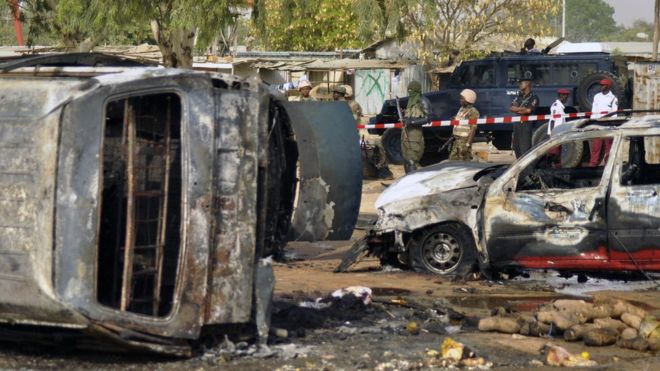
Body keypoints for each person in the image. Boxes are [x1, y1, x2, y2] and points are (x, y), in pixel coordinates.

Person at [401, 80, 432, 173]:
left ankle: (413, 183)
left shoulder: (423, 101)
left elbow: (428, 119)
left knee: (412, 160)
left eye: (412, 91)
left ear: (416, 91)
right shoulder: (410, 101)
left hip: (415, 135)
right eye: (408, 90)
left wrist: (413, 121)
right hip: (406, 134)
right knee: (406, 160)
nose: (410, 93)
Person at [588, 79, 618, 167]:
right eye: (601, 85)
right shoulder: (597, 96)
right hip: (597, 124)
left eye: (604, 85)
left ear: (609, 86)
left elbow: (614, 113)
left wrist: (612, 125)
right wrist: (592, 123)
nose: (602, 86)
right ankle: (592, 165)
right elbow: (593, 111)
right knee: (596, 147)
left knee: (608, 148)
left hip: (608, 125)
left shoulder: (613, 98)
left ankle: (608, 165)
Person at [510, 77, 539, 158]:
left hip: (526, 126)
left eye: (521, 83)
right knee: (517, 148)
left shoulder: (534, 97)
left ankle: (527, 170)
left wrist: (517, 110)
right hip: (517, 126)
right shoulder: (519, 96)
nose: (519, 85)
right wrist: (522, 109)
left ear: (527, 84)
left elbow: (528, 111)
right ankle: (520, 169)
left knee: (525, 149)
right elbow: (511, 108)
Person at [449, 89, 480, 161]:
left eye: (462, 98)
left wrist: (467, 145)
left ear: (468, 99)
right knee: (452, 161)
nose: (460, 100)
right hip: (457, 140)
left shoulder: (473, 111)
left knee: (465, 163)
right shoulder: (461, 109)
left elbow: (473, 129)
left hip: (464, 141)